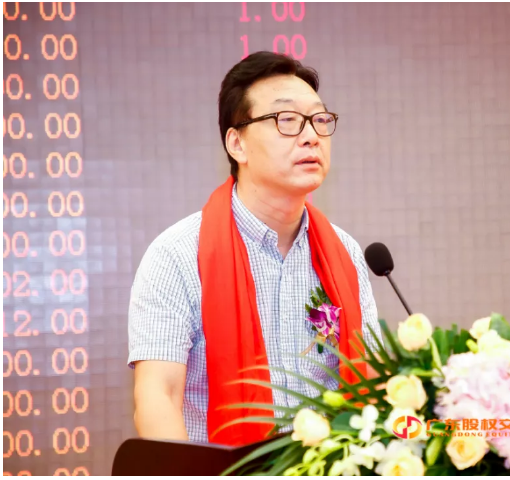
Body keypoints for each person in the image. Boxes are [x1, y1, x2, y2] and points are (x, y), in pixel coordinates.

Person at [127, 51, 381, 447]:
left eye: (319, 119)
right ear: (237, 144)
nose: (312, 136)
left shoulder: (343, 253)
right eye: (287, 120)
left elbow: (370, 382)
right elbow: (158, 396)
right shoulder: (177, 255)